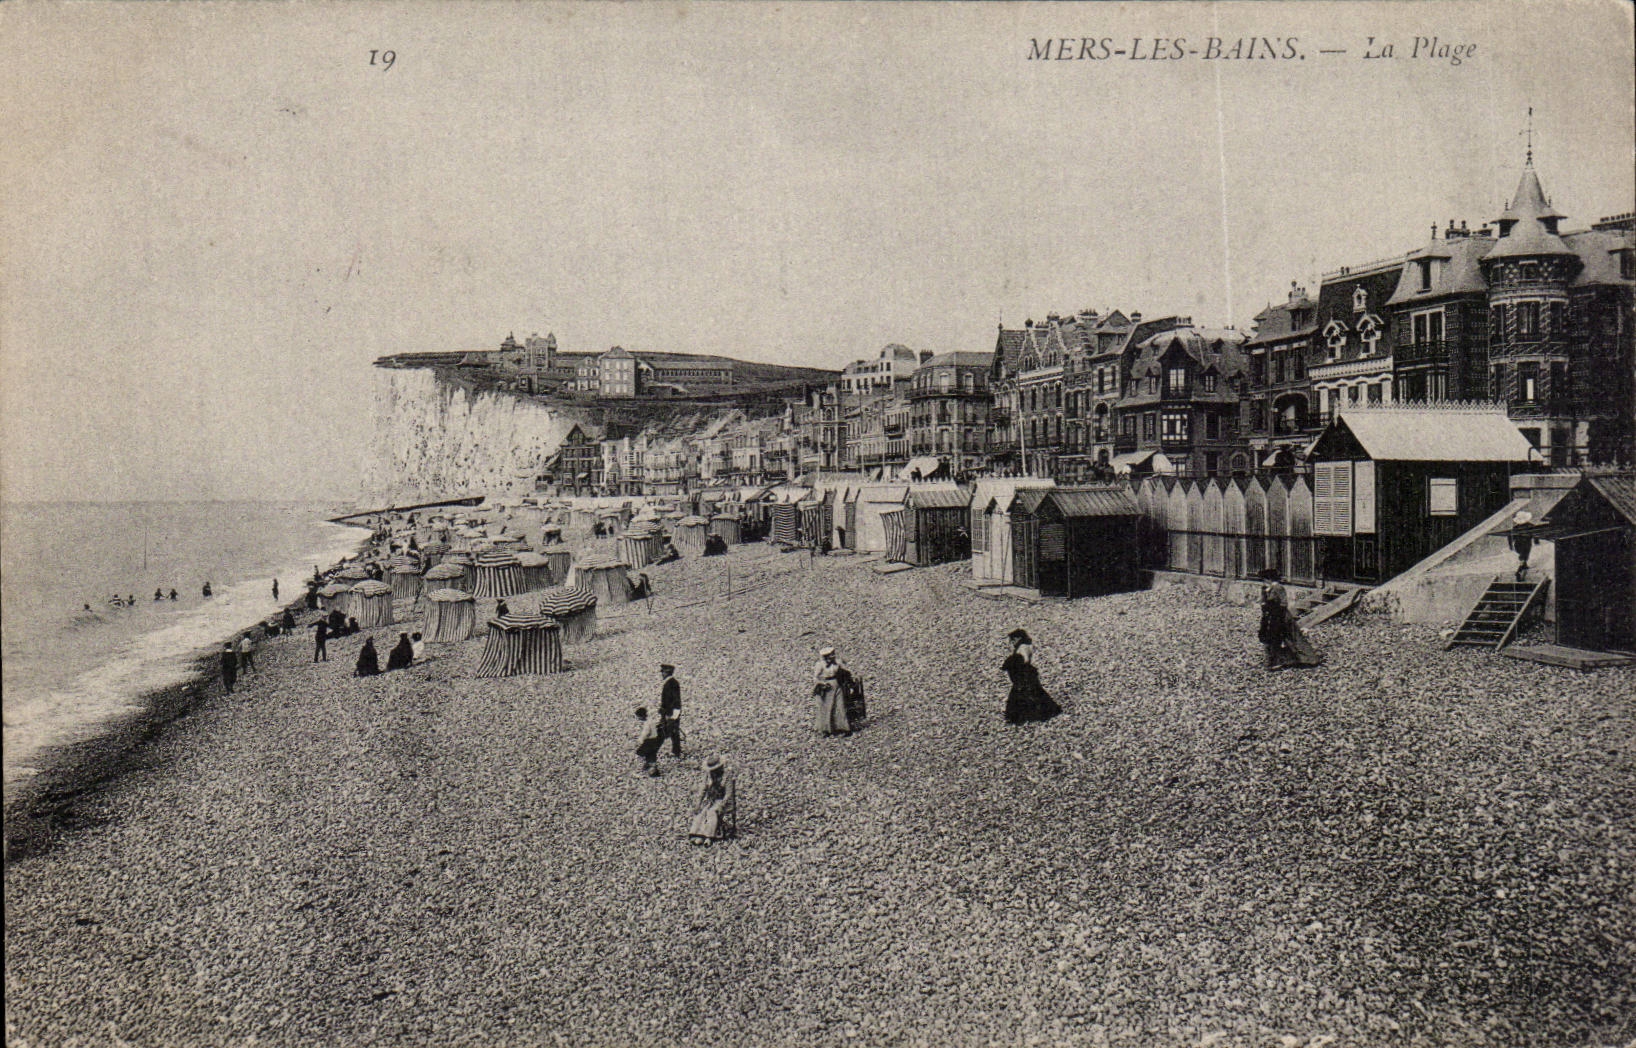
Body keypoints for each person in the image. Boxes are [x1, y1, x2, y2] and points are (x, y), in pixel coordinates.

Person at [1258, 569, 1323, 670]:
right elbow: (1263, 603)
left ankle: (1310, 659)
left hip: (1282, 617)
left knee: (1293, 637)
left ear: (1269, 579)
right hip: (1272, 617)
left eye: (1264, 580)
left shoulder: (1278, 588)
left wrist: (1271, 604)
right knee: (1274, 639)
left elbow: (1283, 604)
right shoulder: (1267, 589)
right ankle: (1277, 660)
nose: (1263, 582)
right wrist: (1265, 595)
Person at [1002, 629, 1062, 724]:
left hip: (1024, 673)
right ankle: (1045, 711)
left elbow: (1024, 660)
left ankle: (1019, 717)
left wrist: (1014, 662)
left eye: (1013, 640)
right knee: (1035, 692)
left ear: (1018, 638)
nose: (1012, 643)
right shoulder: (1027, 645)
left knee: (1020, 693)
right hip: (1028, 672)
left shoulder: (1023, 647)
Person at [688, 755, 737, 846]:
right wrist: (698, 802)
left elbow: (728, 794)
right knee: (702, 812)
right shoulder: (708, 776)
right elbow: (703, 789)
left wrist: (722, 804)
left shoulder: (727, 776)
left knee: (711, 812)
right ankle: (699, 834)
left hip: (722, 800)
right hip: (712, 799)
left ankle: (709, 836)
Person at [813, 646, 851, 737]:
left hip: (836, 684)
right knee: (827, 707)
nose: (833, 656)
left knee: (839, 705)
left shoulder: (837, 662)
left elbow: (846, 671)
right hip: (826, 686)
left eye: (833, 654)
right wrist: (822, 683)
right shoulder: (820, 665)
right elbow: (815, 677)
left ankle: (843, 728)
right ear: (826, 656)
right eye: (831, 655)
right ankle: (827, 729)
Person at [657, 664, 683, 759]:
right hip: (668, 713)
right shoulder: (670, 682)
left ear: (667, 672)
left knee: (671, 731)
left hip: (671, 713)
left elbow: (676, 701)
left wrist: (673, 715)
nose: (662, 674)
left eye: (663, 672)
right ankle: (676, 751)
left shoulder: (672, 683)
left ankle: (676, 752)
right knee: (672, 732)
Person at [633, 705, 663, 777]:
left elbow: (645, 733)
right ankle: (653, 770)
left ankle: (641, 770)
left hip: (649, 741)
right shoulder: (651, 720)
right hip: (655, 740)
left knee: (640, 753)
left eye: (639, 717)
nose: (638, 719)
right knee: (651, 754)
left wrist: (639, 740)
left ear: (642, 716)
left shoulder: (647, 723)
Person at [1509, 511, 1534, 580]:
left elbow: (1510, 536)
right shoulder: (1530, 525)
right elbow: (1535, 531)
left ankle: (1524, 565)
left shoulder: (1515, 528)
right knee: (1525, 555)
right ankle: (1519, 570)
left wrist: (1511, 545)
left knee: (1523, 555)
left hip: (1518, 544)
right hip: (1526, 543)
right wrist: (1536, 540)